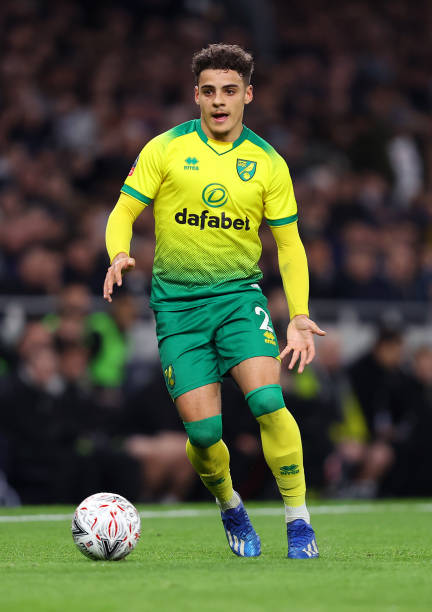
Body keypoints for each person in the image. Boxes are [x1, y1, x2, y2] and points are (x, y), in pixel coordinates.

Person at [103, 44, 325, 559]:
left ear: (248, 94)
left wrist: (299, 314)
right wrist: (117, 253)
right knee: (204, 436)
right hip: (177, 310)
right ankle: (230, 504)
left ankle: (299, 520)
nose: (219, 101)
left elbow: (289, 245)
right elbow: (121, 212)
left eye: (229, 91)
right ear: (196, 95)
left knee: (269, 400)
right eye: (209, 91)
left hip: (237, 297)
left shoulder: (268, 162)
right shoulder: (166, 148)